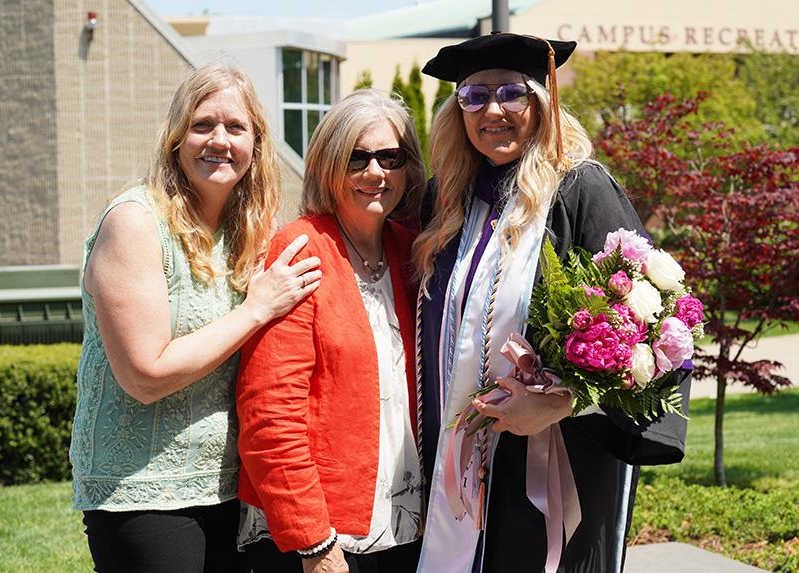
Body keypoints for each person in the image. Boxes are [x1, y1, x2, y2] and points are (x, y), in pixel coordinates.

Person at [413, 33, 692, 573]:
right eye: (474, 96)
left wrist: (561, 404)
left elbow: (660, 335)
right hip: (451, 467)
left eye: (511, 93)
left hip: (553, 469)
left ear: (542, 102)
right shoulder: (443, 200)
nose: (492, 110)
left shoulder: (581, 191)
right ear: (457, 111)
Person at [69, 63, 321, 573]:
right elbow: (144, 375)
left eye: (235, 127)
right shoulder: (136, 223)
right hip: (140, 493)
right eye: (203, 124)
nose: (219, 140)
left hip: (229, 486)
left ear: (256, 143)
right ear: (176, 138)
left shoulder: (246, 230)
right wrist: (255, 309)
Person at [235, 89, 427, 573]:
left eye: (390, 157)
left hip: (409, 523)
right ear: (327, 166)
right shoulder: (301, 249)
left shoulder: (413, 252)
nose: (375, 172)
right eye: (356, 158)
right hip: (324, 535)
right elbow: (270, 412)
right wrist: (314, 543)